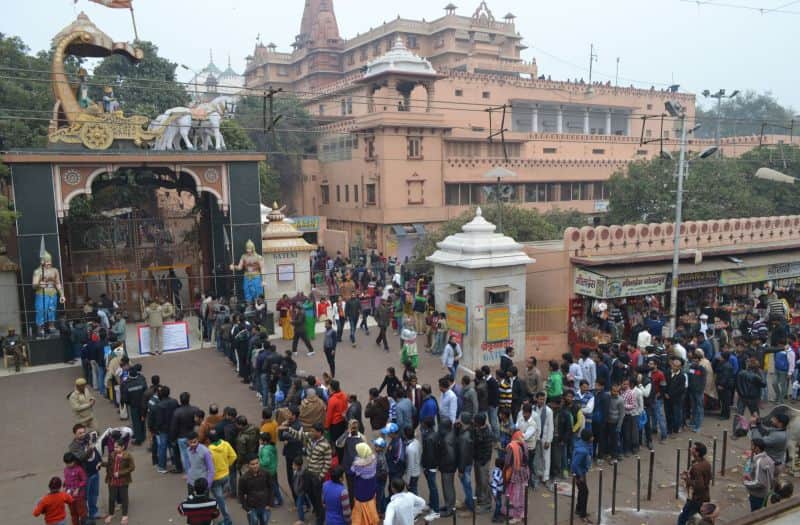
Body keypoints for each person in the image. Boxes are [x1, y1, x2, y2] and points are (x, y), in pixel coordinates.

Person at [278, 421, 332, 525]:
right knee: (310, 494)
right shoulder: (310, 437)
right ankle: (316, 510)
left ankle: (320, 518)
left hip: (317, 476)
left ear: (319, 433)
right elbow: (299, 435)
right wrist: (288, 429)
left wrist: (320, 476)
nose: (311, 432)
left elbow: (328, 462)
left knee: (317, 498)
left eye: (313, 431)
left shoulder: (325, 445)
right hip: (309, 473)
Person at [207, 429, 236, 525]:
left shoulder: (209, 450)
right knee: (221, 497)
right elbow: (233, 456)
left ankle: (227, 520)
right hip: (226, 475)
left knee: (220, 500)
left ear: (209, 440)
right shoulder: (226, 444)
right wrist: (227, 465)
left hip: (215, 478)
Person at [677, 442, 711, 525]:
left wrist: (686, 479)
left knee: (682, 518)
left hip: (695, 499)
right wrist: (689, 474)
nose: (690, 449)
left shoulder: (697, 467)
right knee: (703, 515)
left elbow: (699, 486)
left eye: (693, 448)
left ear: (697, 453)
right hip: (704, 496)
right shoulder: (706, 463)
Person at [103, 439, 135, 524]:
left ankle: (124, 515)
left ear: (123, 447)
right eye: (114, 447)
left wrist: (120, 473)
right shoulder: (112, 454)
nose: (115, 449)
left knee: (124, 498)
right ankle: (111, 514)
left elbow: (132, 467)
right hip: (112, 480)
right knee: (111, 498)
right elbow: (109, 464)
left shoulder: (128, 456)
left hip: (123, 480)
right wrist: (101, 464)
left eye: (117, 447)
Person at [238, 454, 273, 525]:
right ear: (248, 465)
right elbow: (240, 494)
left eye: (257, 463)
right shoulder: (243, 479)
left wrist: (269, 504)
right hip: (252, 507)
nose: (255, 466)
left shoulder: (266, 474)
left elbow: (271, 488)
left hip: (265, 506)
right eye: (252, 464)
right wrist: (247, 509)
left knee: (264, 522)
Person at [504, 430, 530, 524]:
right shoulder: (525, 444)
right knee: (522, 494)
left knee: (515, 494)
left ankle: (516, 516)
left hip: (515, 473)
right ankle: (522, 513)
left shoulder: (512, 446)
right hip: (525, 472)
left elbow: (507, 462)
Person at [744, 438, 775, 511]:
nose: (751, 447)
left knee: (756, 513)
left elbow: (759, 482)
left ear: (757, 448)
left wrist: (746, 483)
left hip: (757, 495)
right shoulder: (768, 459)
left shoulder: (759, 462)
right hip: (765, 493)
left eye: (752, 445)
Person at [473, 412, 494, 513]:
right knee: (478, 481)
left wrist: (482, 461)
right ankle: (479, 499)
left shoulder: (487, 433)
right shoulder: (478, 430)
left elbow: (488, 451)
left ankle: (487, 504)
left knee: (484, 482)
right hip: (478, 459)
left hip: (483, 462)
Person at [532, 392, 553, 489]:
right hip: (534, 438)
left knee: (546, 458)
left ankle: (546, 478)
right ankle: (536, 477)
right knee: (536, 458)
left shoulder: (548, 411)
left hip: (545, 437)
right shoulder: (532, 409)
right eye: (540, 399)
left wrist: (548, 440)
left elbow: (550, 426)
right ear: (536, 399)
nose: (542, 401)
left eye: (543, 399)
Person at [572, 429, 593, 523]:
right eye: (591, 437)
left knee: (582, 491)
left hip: (581, 472)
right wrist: (579, 476)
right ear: (588, 438)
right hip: (579, 473)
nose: (593, 438)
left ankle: (578, 509)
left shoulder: (582, 444)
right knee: (585, 492)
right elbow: (574, 464)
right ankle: (583, 514)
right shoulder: (582, 451)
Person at [437, 418, 458, 518]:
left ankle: (450, 509)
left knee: (448, 487)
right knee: (447, 487)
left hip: (447, 467)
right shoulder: (450, 433)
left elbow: (450, 456)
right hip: (448, 467)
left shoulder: (447, 439)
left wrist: (442, 464)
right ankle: (448, 504)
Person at [62, 452, 87, 525]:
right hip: (69, 496)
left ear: (74, 461)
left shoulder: (79, 469)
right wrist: (64, 486)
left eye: (69, 463)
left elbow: (84, 480)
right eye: (66, 463)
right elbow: (66, 479)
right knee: (73, 513)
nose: (67, 465)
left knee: (82, 513)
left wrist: (78, 488)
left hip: (79, 496)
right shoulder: (66, 469)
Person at [490, 457, 505, 523]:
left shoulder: (497, 470)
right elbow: (494, 484)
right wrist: (494, 493)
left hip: (499, 490)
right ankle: (495, 517)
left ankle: (498, 512)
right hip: (497, 491)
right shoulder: (498, 473)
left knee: (499, 503)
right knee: (498, 504)